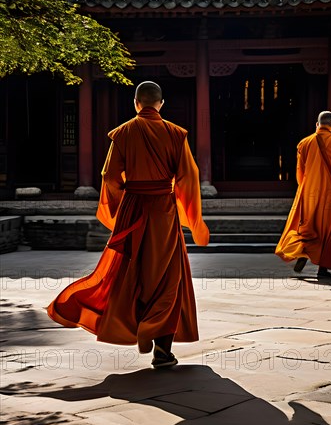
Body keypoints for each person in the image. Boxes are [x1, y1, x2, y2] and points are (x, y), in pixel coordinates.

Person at [47, 81, 210, 368]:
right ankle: (162, 349)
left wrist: (122, 204)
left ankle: (140, 327)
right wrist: (193, 220)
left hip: (134, 208)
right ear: (161, 103)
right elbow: (187, 177)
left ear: (136, 103)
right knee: (168, 276)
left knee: (131, 271)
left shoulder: (123, 133)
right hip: (164, 211)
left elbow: (109, 176)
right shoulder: (176, 133)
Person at [275, 110, 331, 278]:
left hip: (309, 191)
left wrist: (304, 188)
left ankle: (302, 252)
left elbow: (299, 172)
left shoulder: (304, 143)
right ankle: (322, 269)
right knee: (328, 230)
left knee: (308, 226)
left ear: (317, 124)